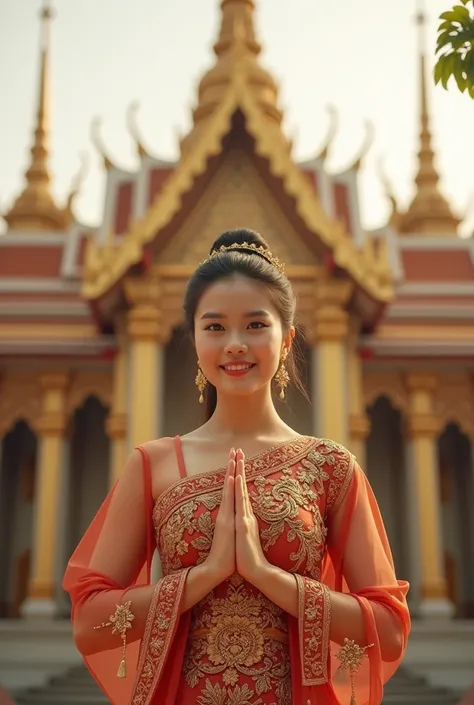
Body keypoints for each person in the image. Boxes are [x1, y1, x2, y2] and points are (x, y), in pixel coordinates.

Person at [63, 228, 410, 705]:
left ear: (286, 340)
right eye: (214, 326)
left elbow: (388, 628)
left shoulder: (330, 467)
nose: (234, 344)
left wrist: (270, 577)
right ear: (195, 340)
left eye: (254, 325)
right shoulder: (155, 464)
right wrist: (200, 578)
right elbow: (88, 622)